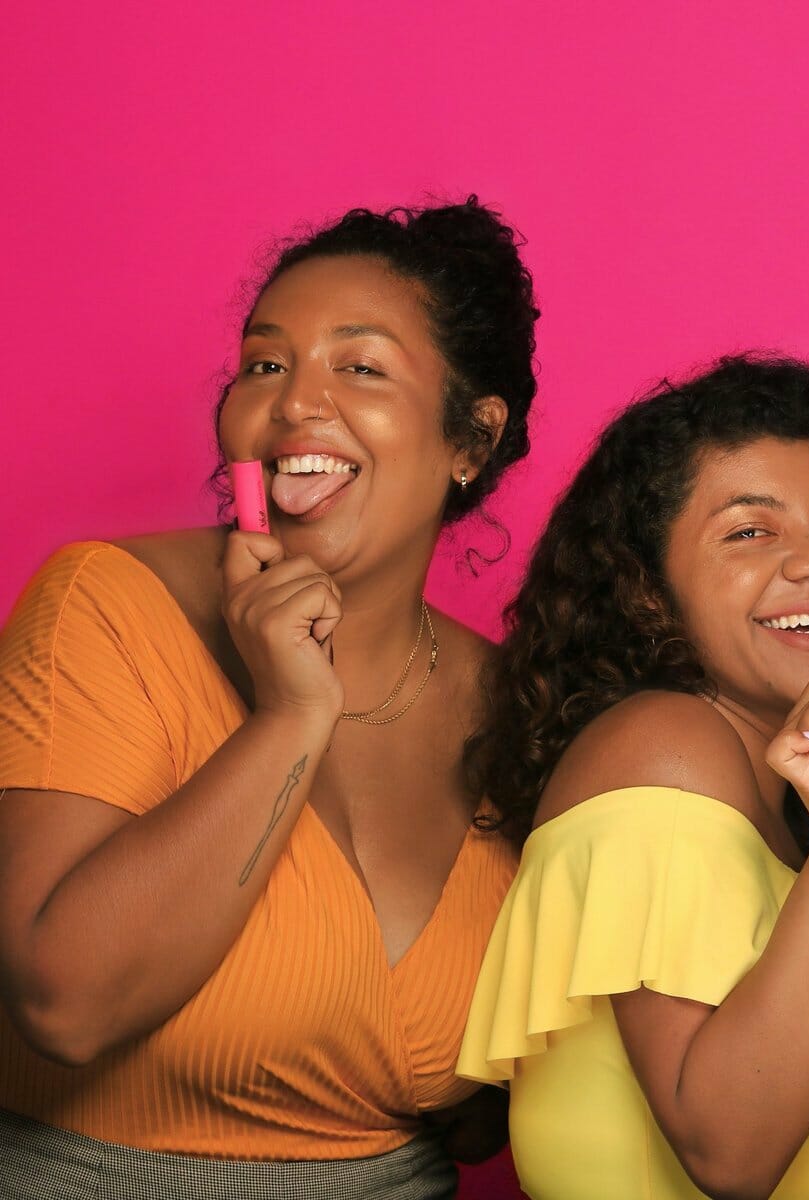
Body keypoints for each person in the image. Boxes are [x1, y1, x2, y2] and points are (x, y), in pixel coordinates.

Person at [0, 198, 539, 1198]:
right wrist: (291, 715)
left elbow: (484, 1117)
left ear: (471, 434)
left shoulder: (517, 702)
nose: (296, 405)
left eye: (361, 367)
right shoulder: (106, 608)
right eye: (265, 364)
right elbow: (65, 1005)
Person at [456, 355, 809, 1200]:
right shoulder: (666, 749)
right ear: (647, 591)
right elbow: (730, 1153)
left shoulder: (763, 787)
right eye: (751, 531)